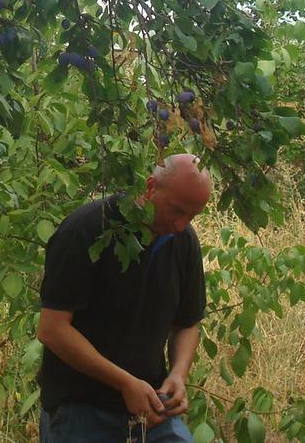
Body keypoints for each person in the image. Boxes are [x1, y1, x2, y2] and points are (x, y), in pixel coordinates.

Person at [37, 154, 212, 443]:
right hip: (80, 410)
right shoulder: (87, 228)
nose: (182, 225)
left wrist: (178, 376)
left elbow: (187, 323)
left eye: (192, 216)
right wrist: (124, 383)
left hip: (152, 410)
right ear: (151, 187)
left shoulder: (183, 241)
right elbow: (52, 329)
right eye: (177, 211)